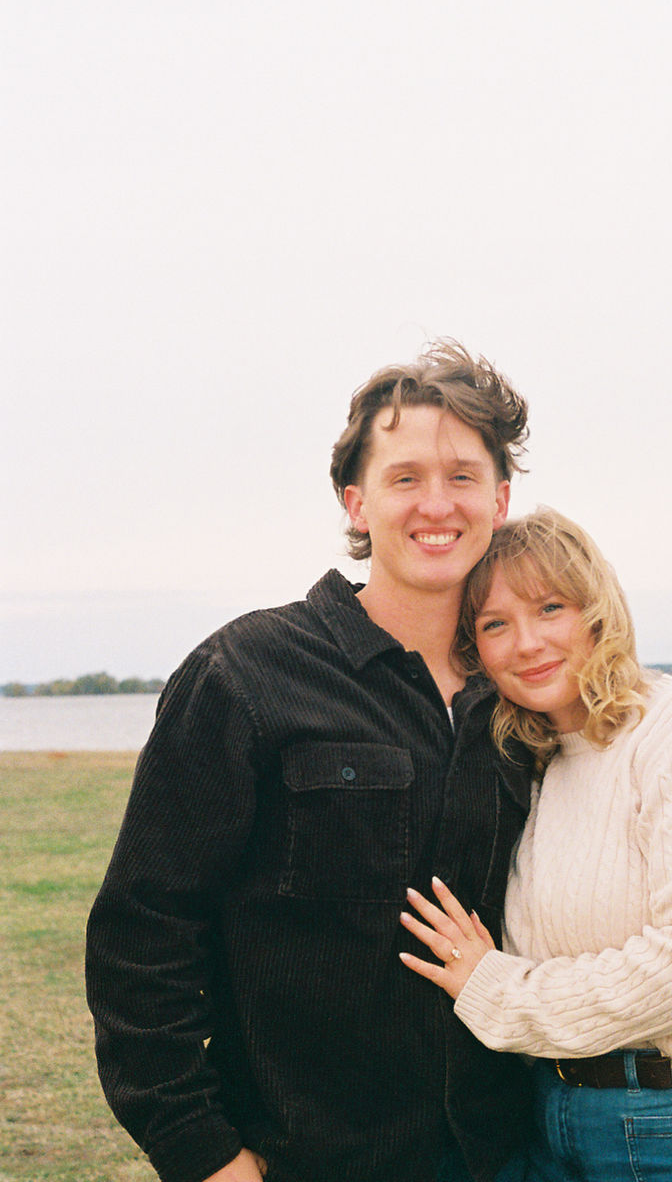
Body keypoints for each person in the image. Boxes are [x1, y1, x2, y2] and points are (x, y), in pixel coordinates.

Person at [85, 342, 535, 1182]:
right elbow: (142, 932)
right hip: (303, 1162)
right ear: (356, 502)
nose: (436, 503)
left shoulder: (525, 697)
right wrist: (203, 1153)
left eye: (463, 477)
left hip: (504, 1154)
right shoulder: (248, 674)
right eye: (405, 478)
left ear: (501, 499)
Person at [400, 507, 672, 1182]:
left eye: (550, 608)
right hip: (553, 1123)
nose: (527, 642)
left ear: (597, 611)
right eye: (494, 625)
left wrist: (501, 995)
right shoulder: (536, 765)